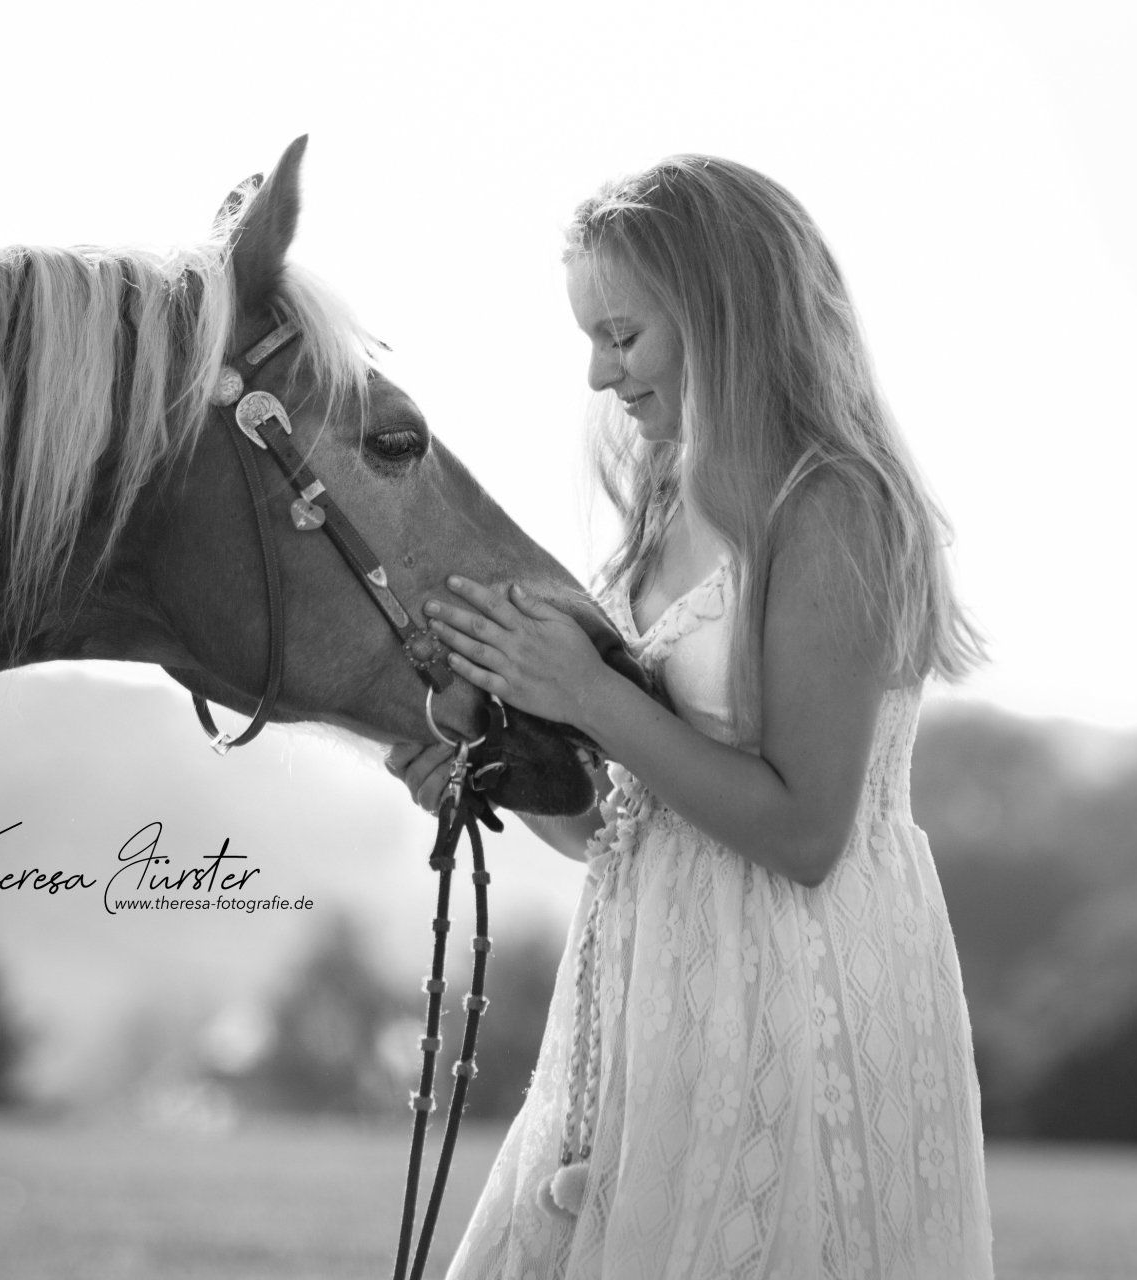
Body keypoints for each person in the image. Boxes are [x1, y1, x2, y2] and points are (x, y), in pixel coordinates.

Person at [385, 156, 994, 1279]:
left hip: (798, 1003)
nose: (598, 374)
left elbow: (805, 833)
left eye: (622, 336)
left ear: (723, 317)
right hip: (650, 1006)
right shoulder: (661, 512)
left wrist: (588, 694)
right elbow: (625, 830)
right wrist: (490, 766)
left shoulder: (832, 508)